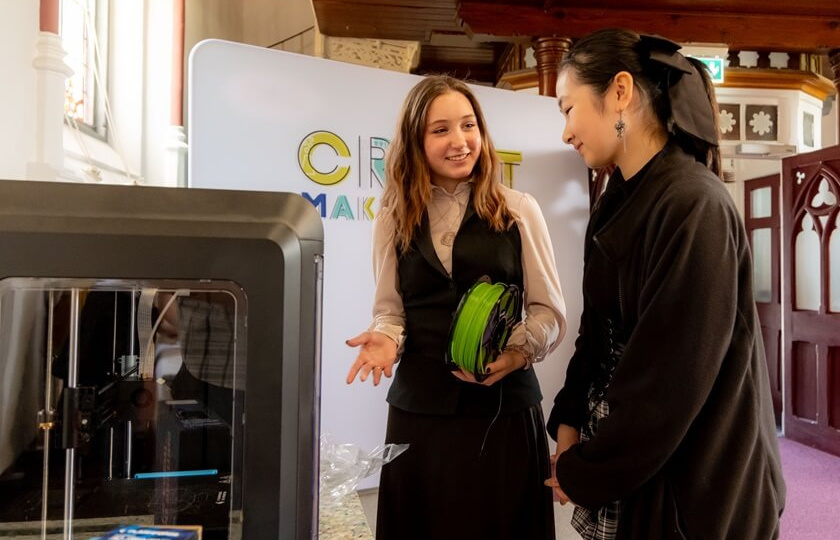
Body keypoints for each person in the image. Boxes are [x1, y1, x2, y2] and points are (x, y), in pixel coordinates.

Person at [543, 28, 786, 540]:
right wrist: (569, 419)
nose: (565, 132)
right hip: (637, 462)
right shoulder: (618, 198)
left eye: (568, 108)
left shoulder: (694, 204)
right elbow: (599, 327)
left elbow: (668, 382)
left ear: (621, 92)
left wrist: (586, 468)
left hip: (694, 482)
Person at [346, 74, 567, 540]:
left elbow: (549, 312)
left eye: (469, 126)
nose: (460, 141)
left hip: (503, 410)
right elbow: (390, 310)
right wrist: (385, 339)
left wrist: (518, 353)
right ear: (415, 140)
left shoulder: (518, 208)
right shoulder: (392, 216)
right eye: (440, 129)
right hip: (419, 412)